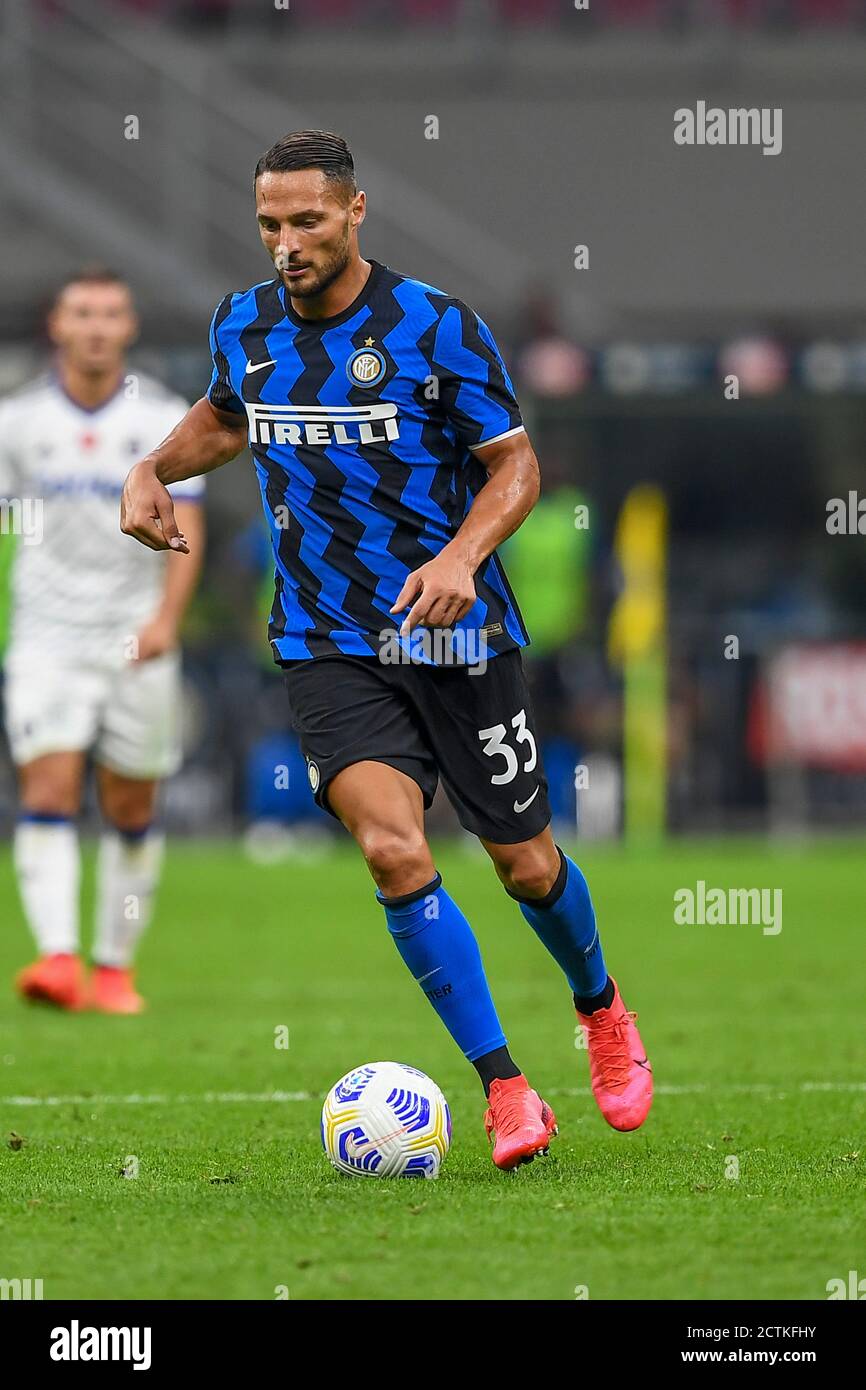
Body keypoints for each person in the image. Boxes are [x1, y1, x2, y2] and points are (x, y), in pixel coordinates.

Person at [120, 130, 652, 1167]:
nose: (286, 243)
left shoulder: (435, 327)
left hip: (457, 633)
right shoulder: (245, 323)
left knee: (525, 864)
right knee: (393, 848)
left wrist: (461, 557)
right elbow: (230, 417)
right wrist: (153, 466)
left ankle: (598, 1004)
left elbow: (515, 468)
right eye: (270, 224)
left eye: (307, 221)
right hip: (326, 639)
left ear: (355, 212)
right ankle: (503, 1087)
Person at [0, 269, 205, 1013]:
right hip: (46, 638)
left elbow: (192, 525)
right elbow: (6, 525)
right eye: (81, 313)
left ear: (129, 327)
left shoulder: (160, 418)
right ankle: (58, 959)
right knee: (47, 791)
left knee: (130, 806)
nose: (95, 326)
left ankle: (114, 967)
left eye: (109, 313)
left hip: (135, 638)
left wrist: (163, 622)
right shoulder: (16, 423)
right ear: (56, 325)